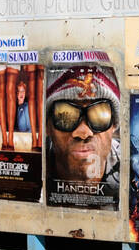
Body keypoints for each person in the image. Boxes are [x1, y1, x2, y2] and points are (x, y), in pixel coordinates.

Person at [45, 66, 121, 204]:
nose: (84, 132)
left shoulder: (135, 169)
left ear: (114, 124)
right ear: (47, 126)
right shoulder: (32, 168)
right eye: (65, 115)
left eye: (100, 114)